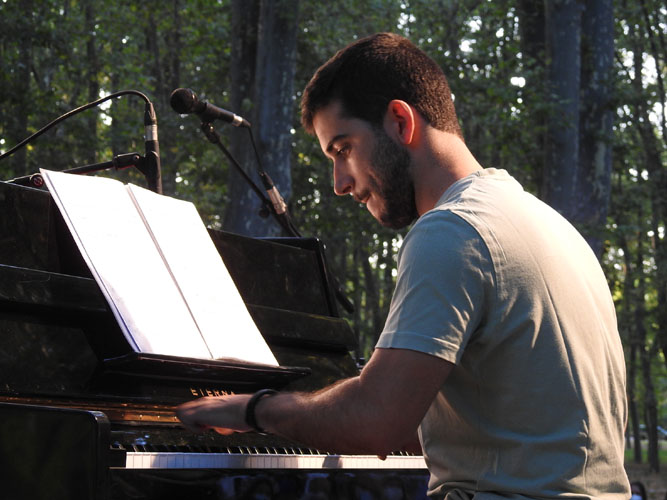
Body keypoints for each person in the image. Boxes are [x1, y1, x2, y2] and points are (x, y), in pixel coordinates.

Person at [177, 32, 630, 499]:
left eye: (343, 149)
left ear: (399, 121)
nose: (339, 183)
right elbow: (473, 426)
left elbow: (375, 422)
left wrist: (254, 409)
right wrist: (317, 407)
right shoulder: (550, 225)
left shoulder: (453, 230)